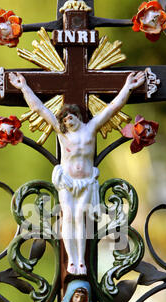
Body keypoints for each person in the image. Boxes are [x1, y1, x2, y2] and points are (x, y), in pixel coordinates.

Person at [9, 71, 146, 275]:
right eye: (64, 121)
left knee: (80, 219)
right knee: (68, 218)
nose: (68, 123)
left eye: (70, 118)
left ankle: (80, 260)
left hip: (86, 182)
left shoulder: (90, 129)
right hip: (67, 181)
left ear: (77, 117)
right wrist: (23, 87)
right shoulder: (62, 134)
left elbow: (112, 109)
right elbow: (39, 109)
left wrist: (128, 87)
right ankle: (71, 260)